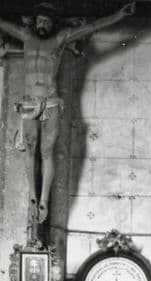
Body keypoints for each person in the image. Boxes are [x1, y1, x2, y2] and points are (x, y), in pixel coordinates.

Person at [0, 2, 135, 223]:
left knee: (47, 151)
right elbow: (4, 25)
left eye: (47, 21)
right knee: (30, 148)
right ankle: (33, 196)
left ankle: (44, 199)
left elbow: (92, 27)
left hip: (51, 101)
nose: (43, 24)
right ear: (35, 22)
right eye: (40, 20)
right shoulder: (26, 37)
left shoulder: (59, 39)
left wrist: (118, 15)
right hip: (29, 101)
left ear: (52, 24)